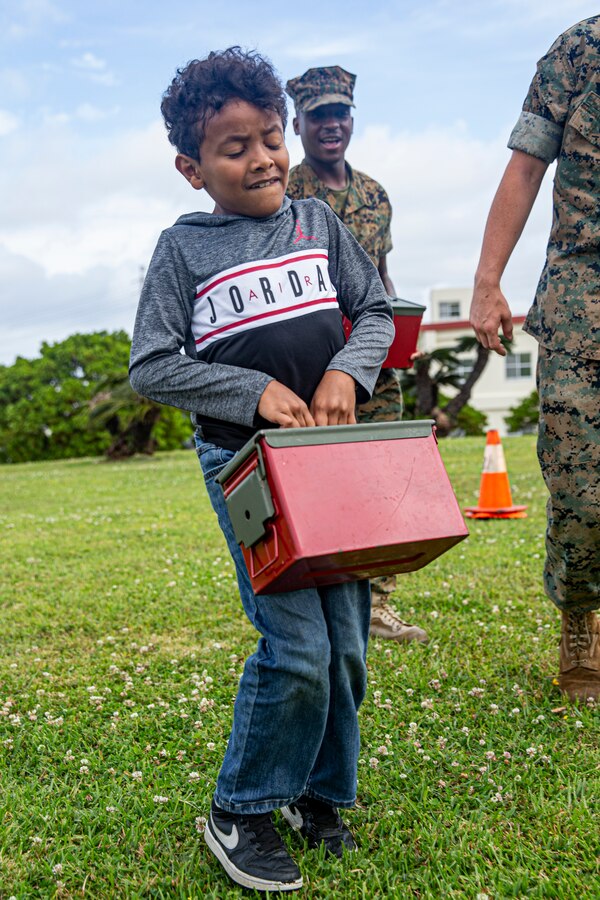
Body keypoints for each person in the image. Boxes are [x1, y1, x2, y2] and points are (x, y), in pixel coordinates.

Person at [129, 47, 395, 893]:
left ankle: (320, 797)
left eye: (270, 137)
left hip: (333, 463)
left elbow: (377, 311)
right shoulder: (183, 251)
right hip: (247, 468)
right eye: (234, 146)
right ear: (191, 167)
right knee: (296, 647)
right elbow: (151, 364)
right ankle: (241, 807)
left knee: (348, 645)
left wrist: (347, 370)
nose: (263, 158)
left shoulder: (321, 225)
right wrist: (253, 390)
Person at [470, 17, 600, 702]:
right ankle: (581, 620)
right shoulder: (578, 51)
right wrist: (488, 281)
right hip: (583, 298)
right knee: (580, 489)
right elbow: (524, 167)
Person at [286, 65, 428, 645]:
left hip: (373, 360)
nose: (331, 124)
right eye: (318, 114)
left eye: (339, 113)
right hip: (312, 363)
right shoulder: (286, 189)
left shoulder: (374, 193)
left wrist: (398, 331)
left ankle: (378, 605)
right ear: (298, 122)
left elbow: (382, 276)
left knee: (382, 477)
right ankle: (321, 601)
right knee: (319, 482)